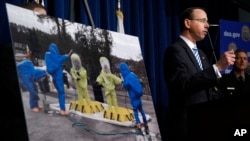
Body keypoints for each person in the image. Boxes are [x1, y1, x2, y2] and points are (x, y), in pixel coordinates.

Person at [163, 7, 236, 140]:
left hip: (205, 124)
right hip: (187, 126)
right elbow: (182, 85)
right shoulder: (175, 51)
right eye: (202, 20)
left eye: (207, 21)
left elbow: (208, 88)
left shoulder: (202, 54)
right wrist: (217, 67)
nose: (207, 25)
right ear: (187, 23)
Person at [119, 62, 149, 133]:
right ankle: (146, 124)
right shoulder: (133, 74)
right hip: (138, 96)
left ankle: (138, 125)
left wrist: (122, 80)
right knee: (142, 111)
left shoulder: (127, 78)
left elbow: (125, 86)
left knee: (135, 112)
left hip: (133, 97)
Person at [45, 43, 72, 116]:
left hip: (54, 78)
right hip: (59, 78)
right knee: (61, 93)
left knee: (60, 93)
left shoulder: (48, 56)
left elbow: (50, 67)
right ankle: (62, 110)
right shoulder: (58, 58)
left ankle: (62, 109)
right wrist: (67, 55)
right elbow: (63, 57)